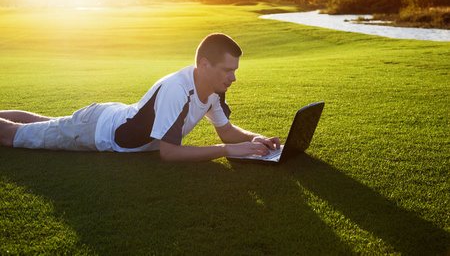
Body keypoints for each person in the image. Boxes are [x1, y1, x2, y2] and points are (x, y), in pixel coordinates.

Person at [0, 33, 280, 162]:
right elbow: (168, 153)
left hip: (107, 115)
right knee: (13, 136)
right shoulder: (177, 89)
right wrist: (228, 151)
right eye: (228, 70)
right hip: (95, 131)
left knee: (45, 124)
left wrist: (255, 139)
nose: (233, 78)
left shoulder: (214, 91)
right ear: (205, 65)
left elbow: (227, 131)